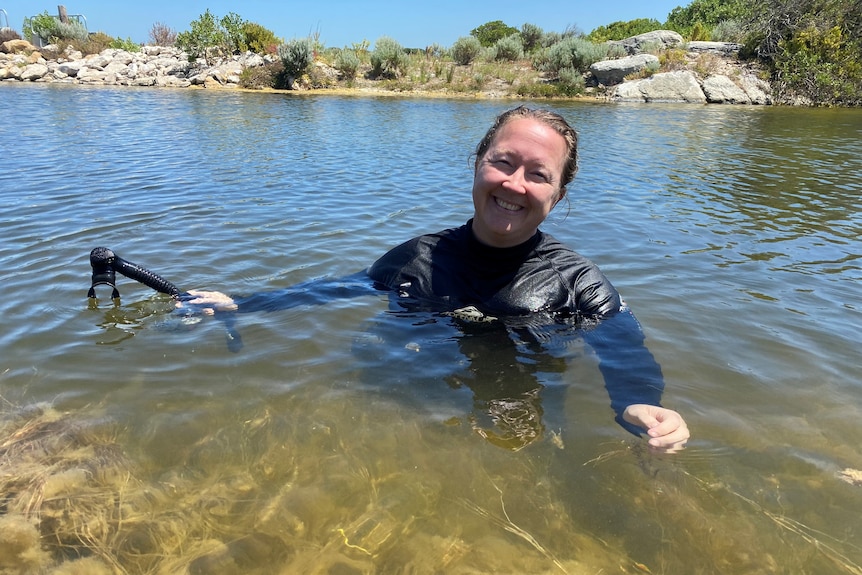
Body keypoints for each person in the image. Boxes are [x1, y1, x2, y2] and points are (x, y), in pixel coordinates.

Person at [184, 105, 690, 451]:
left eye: (538, 174)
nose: (514, 184)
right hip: (405, 408)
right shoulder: (416, 258)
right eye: (503, 162)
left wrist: (639, 403)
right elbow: (338, 288)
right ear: (477, 165)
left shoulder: (576, 281)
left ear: (558, 195)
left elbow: (624, 345)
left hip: (516, 412)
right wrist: (245, 304)